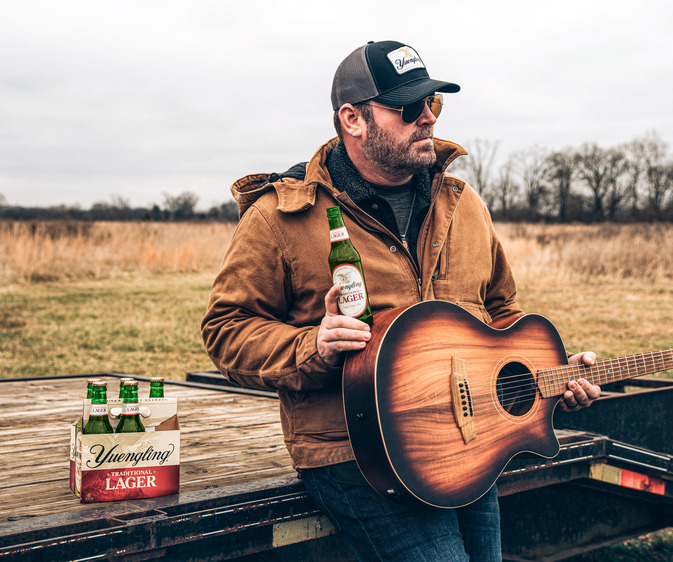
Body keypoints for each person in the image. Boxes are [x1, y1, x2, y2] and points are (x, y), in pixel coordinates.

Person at [201, 40, 601, 562]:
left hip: (470, 440)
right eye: (410, 108)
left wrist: (545, 372)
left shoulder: (465, 206)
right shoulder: (281, 216)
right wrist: (313, 346)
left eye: (434, 104)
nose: (428, 120)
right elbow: (226, 330)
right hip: (355, 453)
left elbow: (501, 311)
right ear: (353, 119)